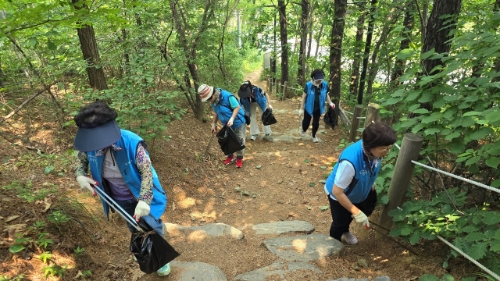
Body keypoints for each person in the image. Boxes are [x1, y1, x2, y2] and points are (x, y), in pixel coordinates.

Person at [73, 101, 171, 276]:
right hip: (118, 196)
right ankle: (144, 248)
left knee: (152, 225)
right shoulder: (89, 145)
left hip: (141, 193)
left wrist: (144, 199)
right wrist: (80, 175)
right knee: (133, 225)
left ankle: (160, 258)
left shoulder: (132, 142)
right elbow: (80, 160)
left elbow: (147, 172)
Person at [324, 122, 397, 245]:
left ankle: (345, 231)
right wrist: (356, 211)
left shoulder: (375, 153)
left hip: (357, 191)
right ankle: (333, 243)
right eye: (384, 148)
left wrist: (370, 185)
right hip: (340, 195)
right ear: (370, 145)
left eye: (389, 148)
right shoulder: (350, 162)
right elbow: (337, 192)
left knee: (348, 217)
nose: (387, 151)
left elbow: (370, 169)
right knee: (339, 221)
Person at [198, 83, 247, 168]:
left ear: (213, 93)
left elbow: (237, 107)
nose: (209, 100)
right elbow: (216, 112)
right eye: (207, 100)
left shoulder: (227, 96)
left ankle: (239, 157)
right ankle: (230, 156)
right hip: (226, 125)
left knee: (239, 140)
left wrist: (232, 118)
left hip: (238, 122)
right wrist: (214, 123)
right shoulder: (214, 102)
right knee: (227, 140)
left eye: (210, 98)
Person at [299, 69, 335, 143]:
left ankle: (314, 135)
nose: (319, 81)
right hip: (308, 107)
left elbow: (326, 95)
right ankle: (304, 129)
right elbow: (304, 97)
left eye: (321, 79)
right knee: (306, 122)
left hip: (318, 107)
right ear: (313, 78)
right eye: (318, 79)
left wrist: (330, 102)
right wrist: (301, 109)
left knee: (316, 122)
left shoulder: (324, 85)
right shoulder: (308, 85)